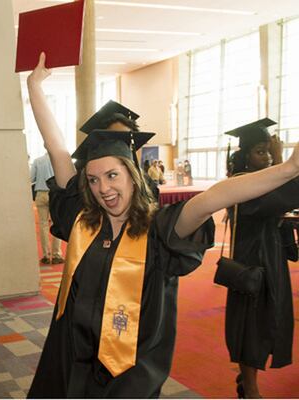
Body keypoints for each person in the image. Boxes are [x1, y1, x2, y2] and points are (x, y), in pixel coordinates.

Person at [25, 52, 299, 398]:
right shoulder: (81, 219)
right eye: (93, 180)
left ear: (133, 175)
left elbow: (216, 197)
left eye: (112, 175)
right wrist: (34, 86)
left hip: (126, 370)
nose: (103, 188)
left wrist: (288, 169)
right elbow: (58, 150)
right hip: (68, 356)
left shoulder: (158, 230)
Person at [224, 118, 298, 399]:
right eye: (260, 151)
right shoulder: (241, 182)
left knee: (269, 320)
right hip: (251, 264)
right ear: (244, 154)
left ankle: (247, 378)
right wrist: (282, 161)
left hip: (271, 259)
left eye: (269, 151)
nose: (266, 157)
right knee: (251, 325)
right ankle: (251, 387)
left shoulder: (262, 178)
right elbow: (278, 198)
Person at [79, 100, 160, 201]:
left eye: (126, 139)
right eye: (114, 138)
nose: (120, 145)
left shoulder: (144, 180)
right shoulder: (83, 179)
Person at [31, 153, 64, 264]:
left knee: (43, 224)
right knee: (57, 223)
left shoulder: (37, 161)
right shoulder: (59, 160)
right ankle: (56, 255)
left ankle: (46, 255)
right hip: (56, 194)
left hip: (41, 193)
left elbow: (31, 178)